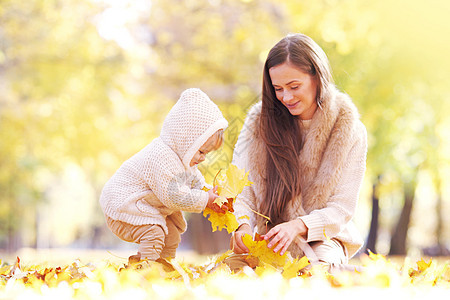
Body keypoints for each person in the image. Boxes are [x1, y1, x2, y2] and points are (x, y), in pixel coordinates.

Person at [230, 33, 367, 269]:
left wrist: (298, 226)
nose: (286, 97)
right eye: (278, 89)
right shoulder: (257, 123)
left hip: (325, 238)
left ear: (317, 77)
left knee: (316, 271)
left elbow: (342, 208)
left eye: (294, 86)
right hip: (270, 240)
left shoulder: (348, 127)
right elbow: (241, 188)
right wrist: (242, 225)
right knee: (230, 273)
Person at [100, 88, 228, 262]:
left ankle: (165, 269)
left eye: (206, 153)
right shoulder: (160, 156)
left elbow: (197, 183)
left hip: (144, 208)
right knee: (154, 234)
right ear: (186, 140)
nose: (203, 158)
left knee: (171, 236)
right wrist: (206, 199)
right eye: (201, 151)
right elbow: (174, 197)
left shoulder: (184, 161)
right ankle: (146, 271)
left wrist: (210, 193)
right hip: (123, 205)